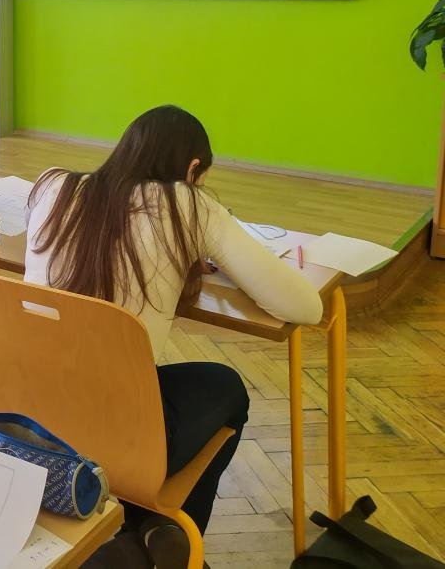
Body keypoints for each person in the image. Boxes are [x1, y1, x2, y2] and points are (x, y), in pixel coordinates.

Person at [23, 105, 323, 565]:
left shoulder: (52, 185)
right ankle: (170, 537)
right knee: (226, 387)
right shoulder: (190, 205)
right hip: (119, 433)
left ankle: (150, 531)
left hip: (27, 410)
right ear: (192, 169)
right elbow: (305, 306)